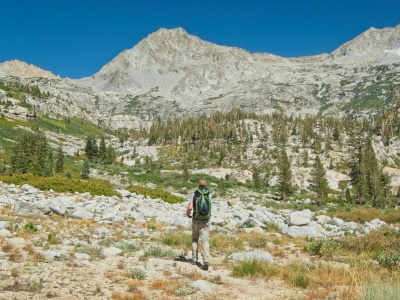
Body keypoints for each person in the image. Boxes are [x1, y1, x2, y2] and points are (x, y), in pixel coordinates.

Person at [186, 179, 211, 270]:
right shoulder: (209, 194)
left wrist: (187, 213)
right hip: (206, 220)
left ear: (198, 185)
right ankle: (206, 261)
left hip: (196, 220)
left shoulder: (195, 194)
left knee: (195, 238)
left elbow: (190, 206)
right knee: (205, 240)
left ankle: (194, 259)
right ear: (206, 185)